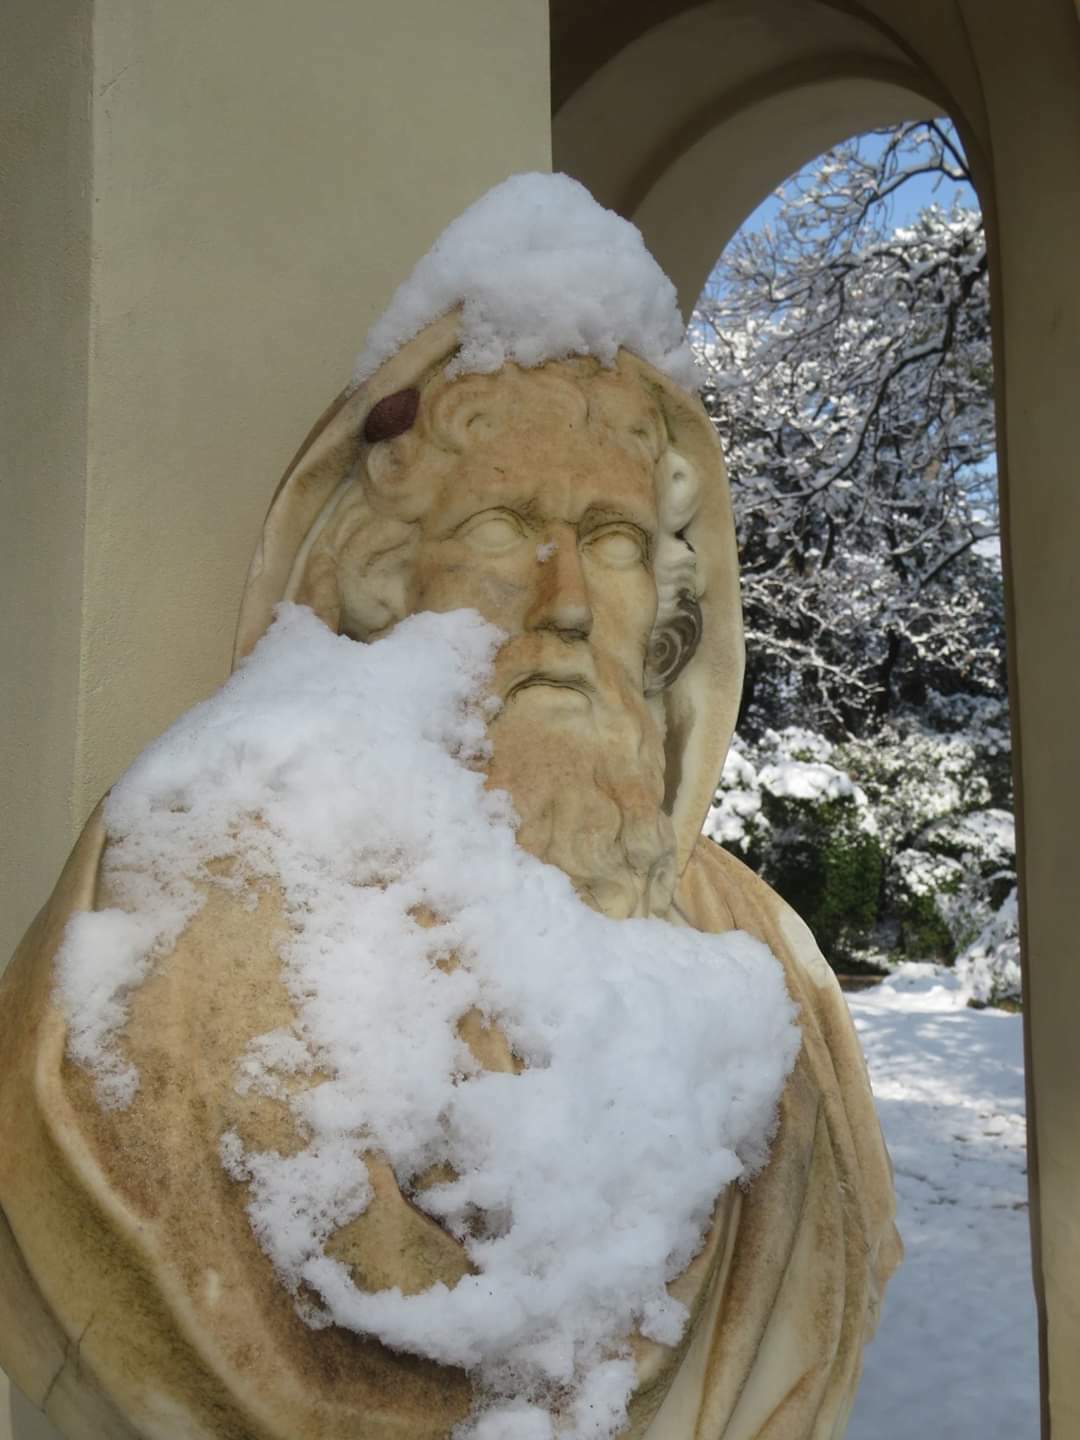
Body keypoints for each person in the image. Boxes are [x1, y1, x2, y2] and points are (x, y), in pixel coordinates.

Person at [0, 181, 900, 1440]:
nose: (570, 600)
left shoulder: (765, 960)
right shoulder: (187, 892)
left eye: (619, 540)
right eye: (502, 525)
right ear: (383, 573)